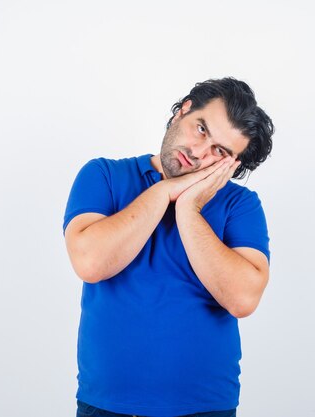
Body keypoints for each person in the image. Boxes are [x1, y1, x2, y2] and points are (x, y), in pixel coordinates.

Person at [63, 77, 274, 417]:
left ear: (232, 166)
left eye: (220, 152)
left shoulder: (241, 205)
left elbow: (243, 299)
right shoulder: (103, 175)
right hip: (105, 406)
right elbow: (90, 262)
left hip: (205, 408)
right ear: (183, 111)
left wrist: (188, 208)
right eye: (201, 129)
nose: (199, 153)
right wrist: (164, 192)